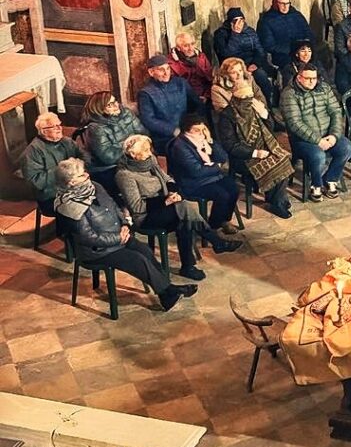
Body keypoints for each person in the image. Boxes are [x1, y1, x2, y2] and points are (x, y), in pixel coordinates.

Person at [54, 158, 196, 311]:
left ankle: (167, 293)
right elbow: (89, 237)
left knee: (146, 251)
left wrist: (125, 224)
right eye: (82, 176)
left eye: (85, 172)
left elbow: (114, 207)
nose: (87, 176)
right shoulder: (68, 206)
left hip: (119, 236)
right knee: (137, 259)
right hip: (98, 251)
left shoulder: (95, 186)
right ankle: (168, 292)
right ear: (70, 183)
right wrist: (118, 237)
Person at [115, 134, 239, 281]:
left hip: (168, 205)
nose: (150, 153)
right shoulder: (124, 175)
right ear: (133, 154)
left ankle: (189, 266)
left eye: (149, 149)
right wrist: (165, 201)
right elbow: (136, 206)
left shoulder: (150, 161)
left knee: (184, 218)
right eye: (146, 151)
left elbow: (167, 178)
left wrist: (173, 192)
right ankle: (213, 243)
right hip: (146, 215)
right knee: (183, 208)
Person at [216, 81, 294, 219]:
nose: (248, 101)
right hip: (243, 155)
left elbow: (270, 129)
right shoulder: (228, 116)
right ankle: (277, 203)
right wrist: (255, 153)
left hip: (264, 146)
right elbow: (230, 145)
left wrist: (264, 114)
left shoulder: (254, 107)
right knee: (275, 164)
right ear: (237, 97)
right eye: (245, 98)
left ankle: (276, 199)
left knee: (283, 158)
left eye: (250, 96)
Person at [280, 62, 351, 201]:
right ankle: (316, 185)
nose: (311, 82)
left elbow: (335, 112)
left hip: (327, 133)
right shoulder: (289, 94)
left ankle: (330, 178)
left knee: (348, 148)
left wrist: (334, 135)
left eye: (314, 78)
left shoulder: (324, 88)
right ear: (299, 77)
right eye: (307, 78)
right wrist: (317, 140)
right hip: (303, 140)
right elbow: (295, 123)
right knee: (318, 156)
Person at [167, 114, 243, 236]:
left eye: (202, 129)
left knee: (233, 189)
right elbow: (196, 171)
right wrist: (216, 167)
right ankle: (214, 225)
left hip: (211, 177)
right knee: (222, 195)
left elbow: (223, 158)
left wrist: (210, 141)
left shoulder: (204, 141)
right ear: (187, 129)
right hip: (192, 183)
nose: (200, 133)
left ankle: (222, 220)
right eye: (196, 130)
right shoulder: (180, 146)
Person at [80, 91, 148, 197]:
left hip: (131, 157)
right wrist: (131, 149)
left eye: (115, 101)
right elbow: (108, 157)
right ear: (99, 109)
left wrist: (139, 147)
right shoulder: (95, 128)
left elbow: (143, 133)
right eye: (109, 105)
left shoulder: (126, 113)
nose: (116, 105)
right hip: (110, 167)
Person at [22, 113, 81, 230]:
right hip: (50, 197)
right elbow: (36, 182)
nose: (60, 128)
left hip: (74, 187)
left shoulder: (67, 142)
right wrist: (62, 170)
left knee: (101, 192)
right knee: (80, 208)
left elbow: (83, 156)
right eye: (54, 127)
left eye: (59, 125)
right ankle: (73, 240)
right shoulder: (32, 152)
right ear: (43, 131)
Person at [137, 54, 200, 156]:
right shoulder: (146, 93)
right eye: (161, 70)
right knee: (186, 153)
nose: (166, 73)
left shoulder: (181, 83)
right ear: (151, 72)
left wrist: (193, 124)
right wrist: (172, 130)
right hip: (165, 138)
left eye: (168, 68)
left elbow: (196, 104)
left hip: (187, 130)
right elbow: (148, 120)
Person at [213, 7, 275, 104]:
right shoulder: (221, 34)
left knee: (261, 76)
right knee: (257, 77)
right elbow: (225, 54)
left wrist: (256, 63)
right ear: (230, 22)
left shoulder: (250, 31)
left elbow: (260, 50)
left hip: (252, 63)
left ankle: (267, 104)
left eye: (241, 20)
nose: (239, 23)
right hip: (235, 65)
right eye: (236, 20)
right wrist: (235, 35)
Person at [257, 0, 313, 70]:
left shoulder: (297, 15)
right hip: (283, 54)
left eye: (287, 4)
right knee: (291, 67)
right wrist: (292, 50)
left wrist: (304, 47)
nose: (285, 6)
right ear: (276, 3)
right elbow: (269, 45)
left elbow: (308, 33)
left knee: (315, 63)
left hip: (302, 51)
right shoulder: (267, 20)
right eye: (282, 3)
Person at [168, 32, 214, 104]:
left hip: (205, 97)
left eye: (192, 44)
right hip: (185, 101)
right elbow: (174, 88)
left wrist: (206, 96)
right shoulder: (172, 63)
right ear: (178, 48)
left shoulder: (201, 57)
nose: (191, 48)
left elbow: (210, 79)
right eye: (186, 46)